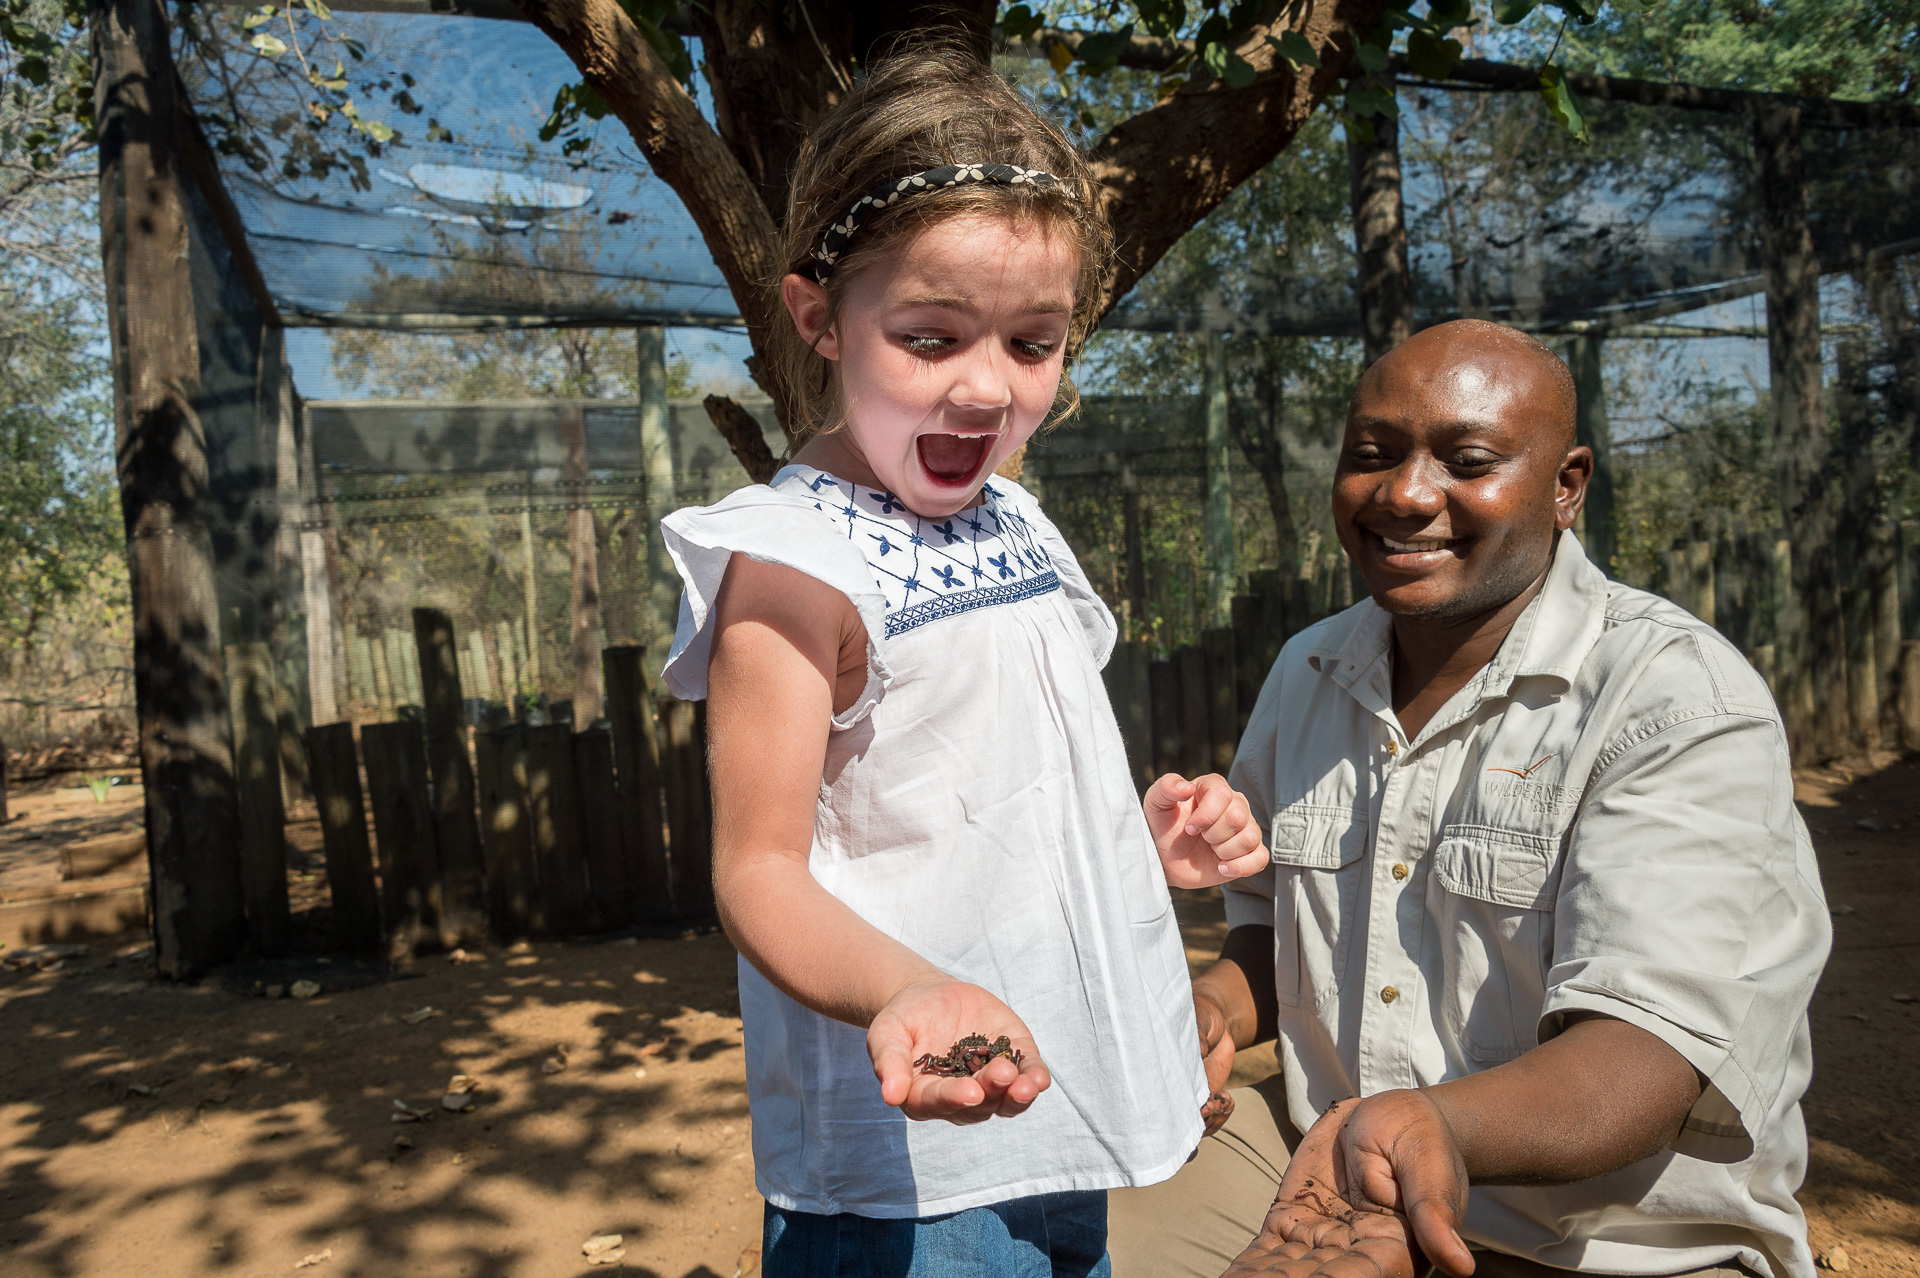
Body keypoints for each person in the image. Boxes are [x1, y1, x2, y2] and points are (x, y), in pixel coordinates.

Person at [657, 46, 1268, 1278]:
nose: (988, 390)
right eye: (930, 337)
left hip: (1062, 1111)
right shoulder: (787, 564)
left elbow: (990, 777)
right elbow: (757, 871)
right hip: (909, 1181)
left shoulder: (1015, 516)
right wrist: (904, 989)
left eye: (1034, 344)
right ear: (819, 317)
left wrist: (1133, 836)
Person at [1112, 320, 1830, 1278]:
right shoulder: (1309, 671)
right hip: (1325, 1166)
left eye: (1469, 460)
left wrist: (1429, 1126)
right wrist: (1213, 1009)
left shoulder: (1672, 700)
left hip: (1609, 1238)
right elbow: (1268, 933)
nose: (1406, 495)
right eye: (1371, 456)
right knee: (1068, 1221)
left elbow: (1645, 1056)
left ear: (1567, 486)